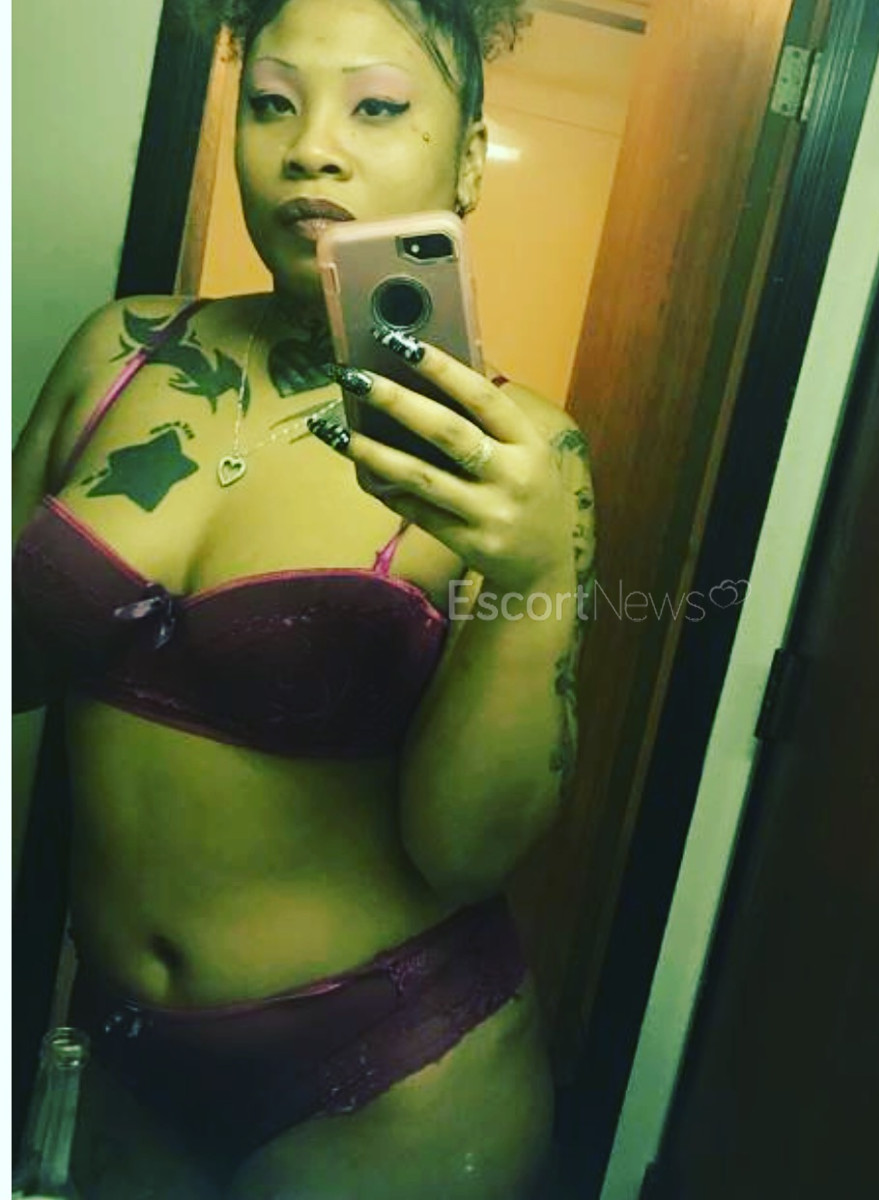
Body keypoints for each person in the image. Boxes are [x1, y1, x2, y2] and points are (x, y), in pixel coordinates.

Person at [12, 0, 595, 1195]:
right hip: (118, 1050)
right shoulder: (118, 354)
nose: (310, 148)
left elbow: (465, 850)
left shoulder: (521, 456)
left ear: (468, 160)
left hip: (388, 1077)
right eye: (273, 103)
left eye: (376, 107)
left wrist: (535, 578)